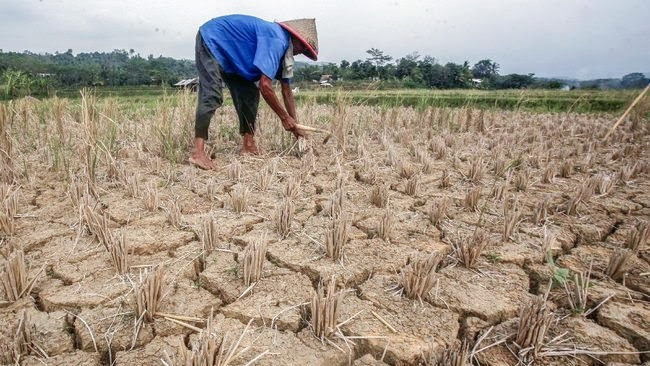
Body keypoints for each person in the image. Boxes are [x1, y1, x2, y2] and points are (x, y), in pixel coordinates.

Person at [190, 14, 318, 170]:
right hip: (212, 39)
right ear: (295, 39)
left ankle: (248, 146)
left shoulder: (285, 51)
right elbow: (265, 86)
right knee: (212, 95)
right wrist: (284, 118)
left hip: (235, 58)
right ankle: (198, 152)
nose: (300, 53)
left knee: (250, 93)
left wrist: (295, 126)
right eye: (302, 48)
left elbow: (286, 90)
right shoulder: (277, 40)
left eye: (305, 51)